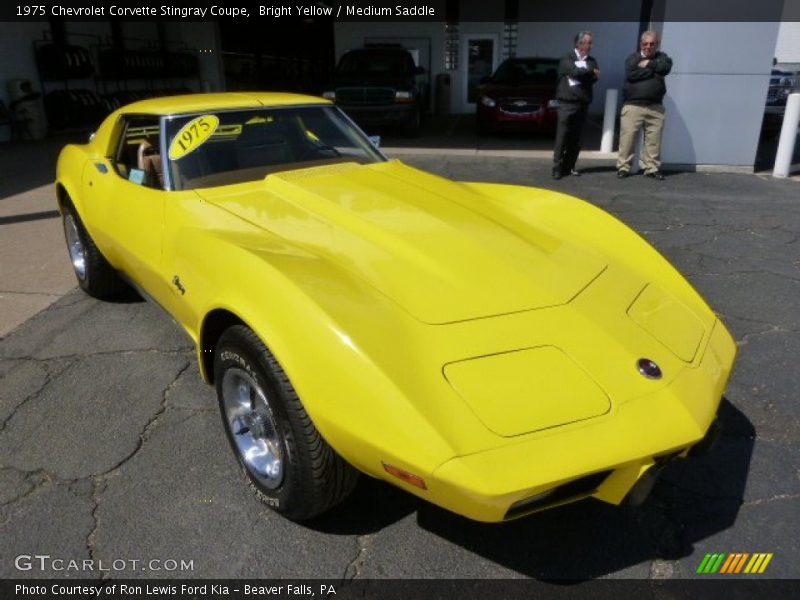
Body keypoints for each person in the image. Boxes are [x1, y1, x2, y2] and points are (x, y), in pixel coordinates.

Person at [616, 30, 673, 180]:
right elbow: (631, 75)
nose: (648, 47)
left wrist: (648, 64)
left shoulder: (663, 58)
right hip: (633, 106)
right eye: (645, 44)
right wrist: (654, 71)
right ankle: (623, 167)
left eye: (652, 44)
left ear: (657, 44)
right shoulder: (632, 58)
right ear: (641, 44)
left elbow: (666, 67)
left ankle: (651, 168)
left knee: (654, 141)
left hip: (655, 107)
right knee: (627, 139)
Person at [552, 31, 599, 180]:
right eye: (588, 43)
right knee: (562, 136)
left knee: (577, 138)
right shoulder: (567, 57)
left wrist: (582, 73)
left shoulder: (591, 60)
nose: (591, 46)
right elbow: (573, 71)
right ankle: (557, 167)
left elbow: (592, 78)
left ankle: (569, 166)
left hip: (582, 103)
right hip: (566, 103)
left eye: (591, 43)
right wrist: (585, 73)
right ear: (579, 43)